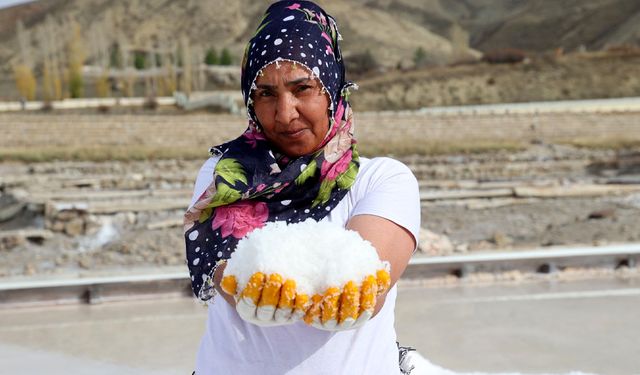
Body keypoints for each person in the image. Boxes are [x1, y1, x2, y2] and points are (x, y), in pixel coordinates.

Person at [184, 1, 420, 373]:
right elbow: (226, 276)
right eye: (266, 94)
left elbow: (361, 292)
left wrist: (276, 282)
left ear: (333, 87)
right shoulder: (224, 176)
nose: (285, 112)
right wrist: (251, 284)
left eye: (303, 88)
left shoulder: (382, 180)